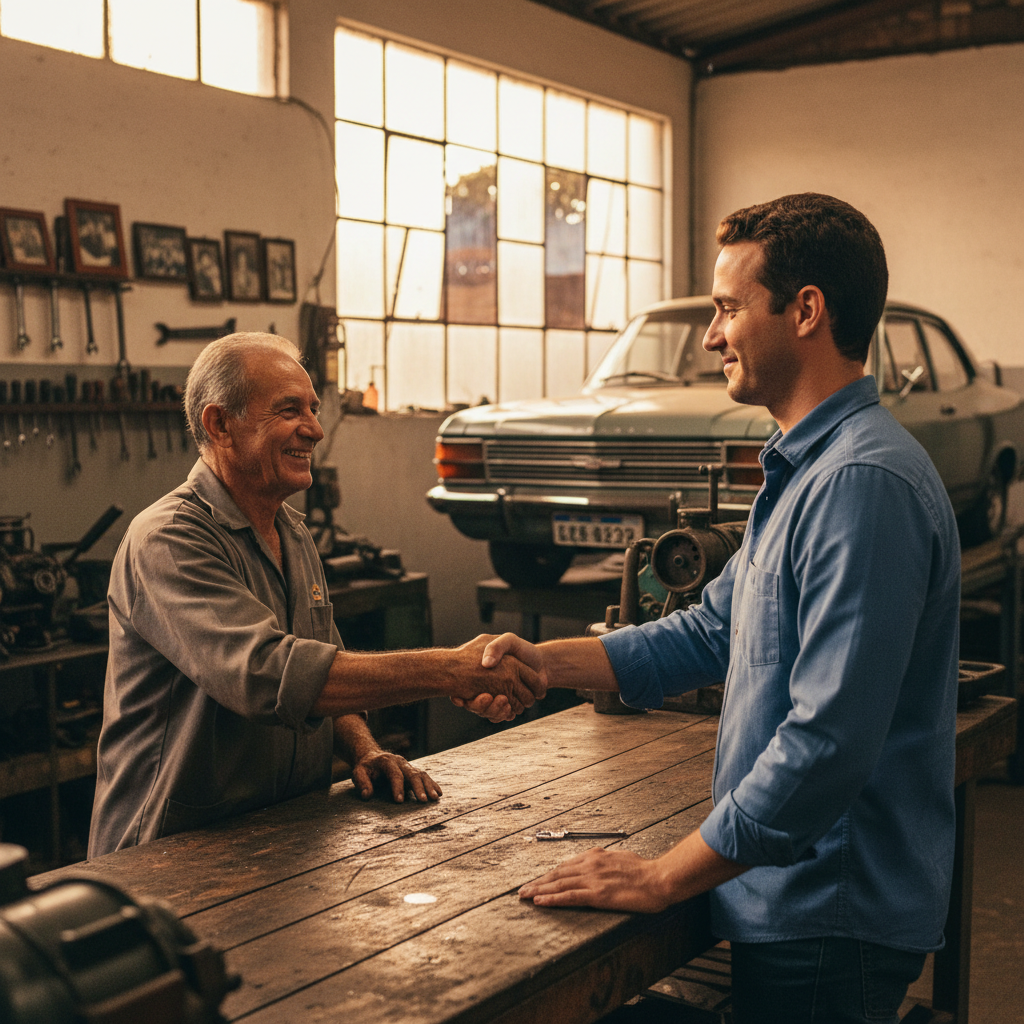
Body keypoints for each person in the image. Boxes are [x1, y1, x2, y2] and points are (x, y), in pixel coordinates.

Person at [468, 194, 961, 1024]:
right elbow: (711, 631)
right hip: (785, 891)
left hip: (826, 911)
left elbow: (828, 742)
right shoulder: (805, 471)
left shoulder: (860, 484)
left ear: (806, 311)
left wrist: (666, 874)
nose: (710, 336)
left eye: (728, 308)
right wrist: (542, 663)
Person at [88, 332, 543, 857]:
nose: (315, 429)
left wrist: (364, 750)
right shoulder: (169, 539)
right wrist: (451, 670)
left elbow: (326, 681)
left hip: (275, 842)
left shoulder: (294, 535)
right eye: (289, 411)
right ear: (220, 425)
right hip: (164, 855)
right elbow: (270, 675)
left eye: (313, 409)